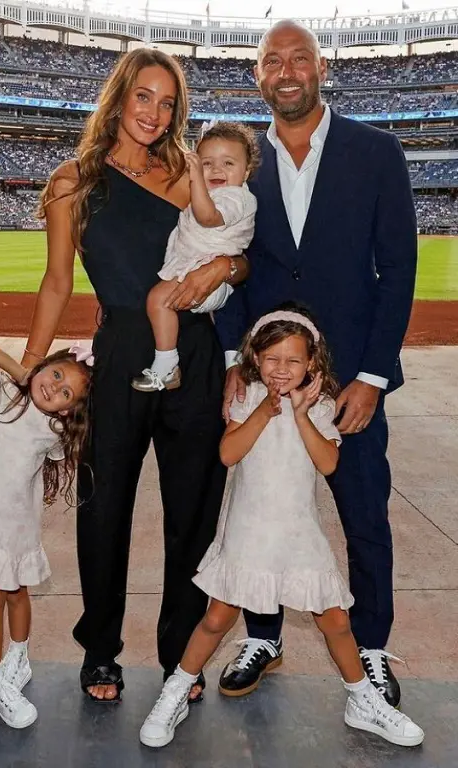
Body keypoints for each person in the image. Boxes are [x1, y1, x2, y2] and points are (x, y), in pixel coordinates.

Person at [25, 48, 249, 705]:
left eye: (168, 102)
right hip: (121, 350)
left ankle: (182, 655)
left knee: (194, 514)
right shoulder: (74, 180)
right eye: (144, 97)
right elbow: (57, 281)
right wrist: (27, 367)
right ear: (119, 98)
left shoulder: (192, 173)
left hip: (197, 353)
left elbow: (239, 255)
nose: (155, 112)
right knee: (103, 509)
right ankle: (101, 651)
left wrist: (225, 271)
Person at [213, 20, 417, 707]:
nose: (288, 70)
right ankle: (264, 636)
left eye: (301, 57)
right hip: (268, 378)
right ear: (258, 76)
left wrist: (371, 375)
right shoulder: (238, 157)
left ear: (321, 67)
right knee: (264, 511)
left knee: (364, 519)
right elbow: (233, 266)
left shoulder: (376, 151)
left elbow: (398, 267)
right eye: (274, 60)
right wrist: (231, 361)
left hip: (350, 378)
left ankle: (372, 649)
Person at [139, 307, 424, 749]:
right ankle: (175, 691)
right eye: (272, 359)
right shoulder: (246, 396)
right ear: (256, 358)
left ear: (311, 363)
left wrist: (300, 413)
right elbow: (229, 454)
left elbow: (328, 462)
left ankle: (362, 700)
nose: (281, 370)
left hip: (297, 530)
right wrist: (265, 411)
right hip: (249, 529)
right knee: (216, 618)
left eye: (292, 361)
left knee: (334, 619)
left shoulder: (323, 405)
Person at [0, 342, 92, 728]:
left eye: (66, 393)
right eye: (56, 374)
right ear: (44, 366)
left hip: (17, 526)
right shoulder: (3, 392)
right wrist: (22, 372)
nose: (54, 387)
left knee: (18, 592)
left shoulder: (55, 429)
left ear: (67, 409)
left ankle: (19, 656)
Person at [133, 121, 258, 392]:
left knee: (158, 300)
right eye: (207, 163)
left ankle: (166, 363)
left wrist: (195, 178)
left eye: (228, 163)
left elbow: (207, 216)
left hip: (208, 278)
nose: (216, 170)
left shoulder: (238, 198)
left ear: (246, 171)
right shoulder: (219, 193)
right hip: (200, 271)